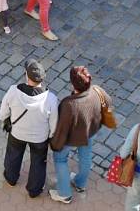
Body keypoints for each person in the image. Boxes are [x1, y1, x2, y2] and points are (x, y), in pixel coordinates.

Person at [49, 66, 113, 204]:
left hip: (72, 138)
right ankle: (80, 183)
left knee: (60, 159)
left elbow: (62, 128)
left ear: (73, 83)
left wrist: (55, 145)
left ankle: (64, 194)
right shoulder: (97, 91)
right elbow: (108, 102)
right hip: (90, 132)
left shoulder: (69, 104)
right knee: (86, 155)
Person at [0, 59, 59, 198]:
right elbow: (54, 122)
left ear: (26, 75)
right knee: (38, 162)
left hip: (17, 134)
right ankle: (34, 190)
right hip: (39, 138)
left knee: (13, 156)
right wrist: (51, 136)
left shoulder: (13, 91)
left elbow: (3, 112)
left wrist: (5, 122)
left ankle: (11, 178)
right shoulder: (50, 99)